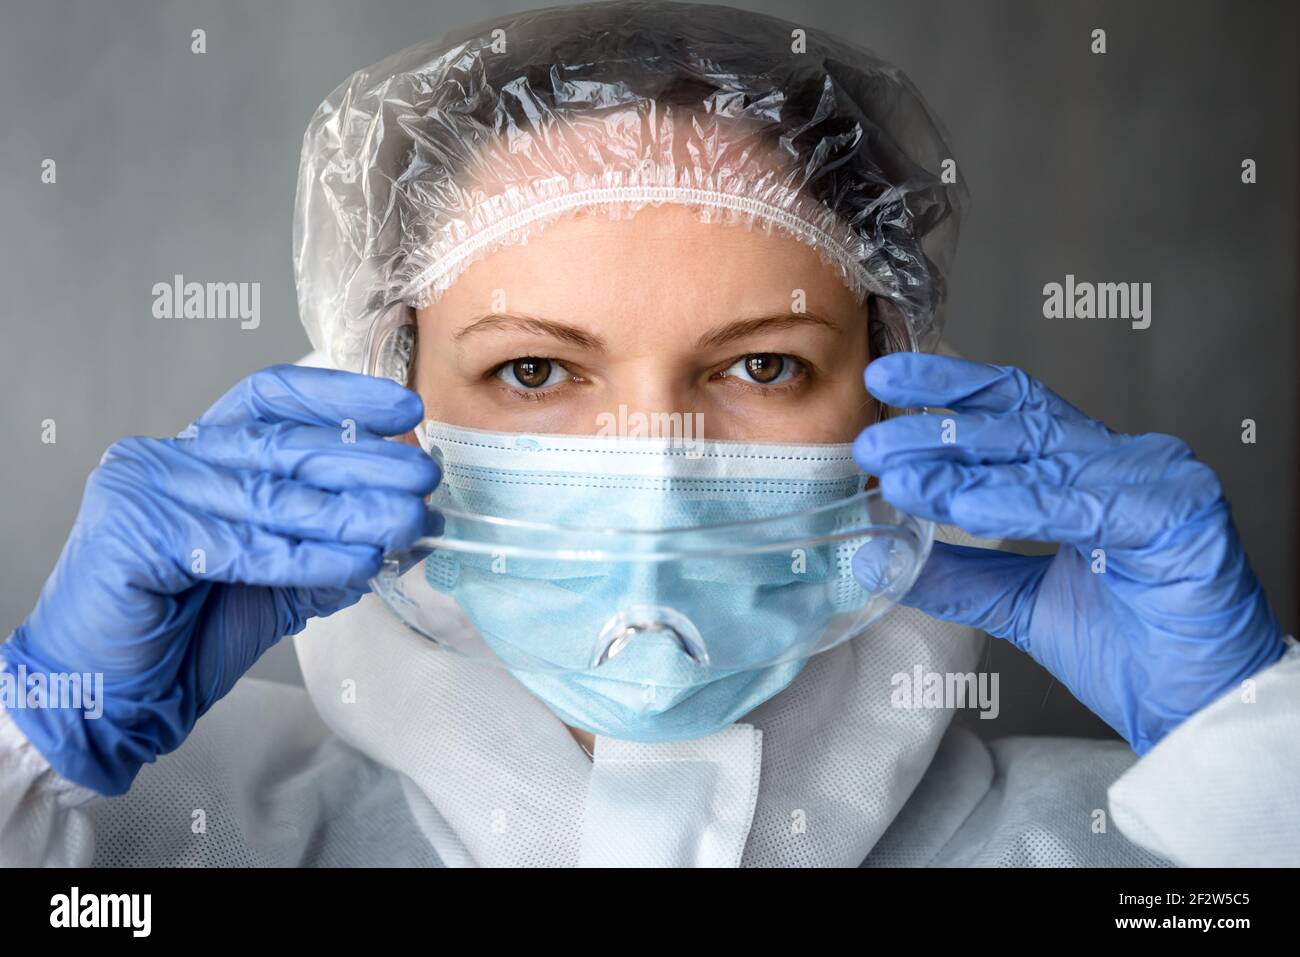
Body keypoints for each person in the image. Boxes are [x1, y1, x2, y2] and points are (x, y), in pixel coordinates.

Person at [1, 0, 1296, 868]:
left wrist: (1250, 748)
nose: (655, 471)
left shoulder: (1152, 851)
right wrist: (37, 726)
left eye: (765, 363)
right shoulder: (147, 842)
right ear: (380, 389)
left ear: (898, 385)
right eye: (529, 368)